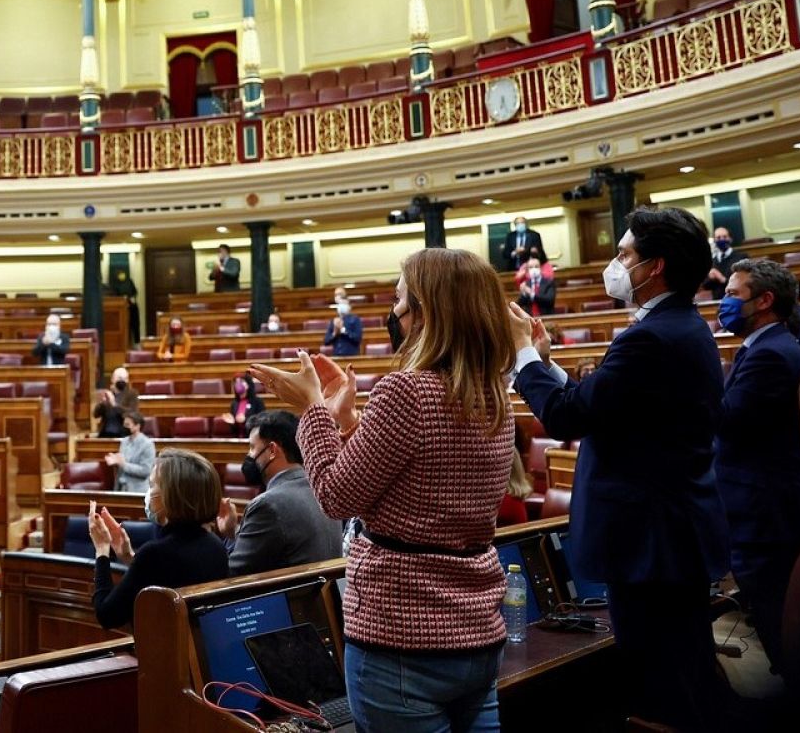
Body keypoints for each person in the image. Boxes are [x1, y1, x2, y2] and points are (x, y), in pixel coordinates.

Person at [251, 247, 519, 733]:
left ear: (427, 312)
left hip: (403, 639)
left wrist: (312, 409)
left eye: (400, 300)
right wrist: (350, 421)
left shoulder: (406, 391)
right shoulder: (494, 395)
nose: (393, 312)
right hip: (477, 631)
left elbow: (335, 495)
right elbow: (417, 478)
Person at [508, 206, 730, 731]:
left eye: (624, 253)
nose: (616, 262)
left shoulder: (650, 337)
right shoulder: (678, 327)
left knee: (664, 685)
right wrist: (544, 362)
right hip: (670, 535)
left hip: (652, 542)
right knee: (685, 672)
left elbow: (566, 414)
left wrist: (522, 355)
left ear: (653, 267)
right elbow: (604, 405)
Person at [716, 258, 800, 674]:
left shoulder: (771, 355)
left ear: (764, 300)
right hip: (770, 510)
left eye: (731, 295)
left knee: (785, 631)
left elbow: (727, 420)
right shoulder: (771, 347)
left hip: (768, 518)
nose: (722, 302)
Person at [88, 449, 228, 629]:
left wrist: (102, 550)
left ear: (172, 495)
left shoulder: (155, 554)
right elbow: (168, 576)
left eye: (152, 485)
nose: (148, 493)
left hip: (165, 655)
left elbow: (107, 616)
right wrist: (131, 558)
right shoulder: (216, 546)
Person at [215, 410, 343, 576]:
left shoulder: (267, 505)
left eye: (252, 448)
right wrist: (232, 532)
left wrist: (227, 540)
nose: (249, 455)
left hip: (292, 600)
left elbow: (232, 575)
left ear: (272, 450)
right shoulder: (320, 489)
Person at [104, 410, 156, 492]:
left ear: (137, 426)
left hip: (137, 490)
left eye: (127, 425)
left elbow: (145, 470)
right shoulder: (124, 441)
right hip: (121, 488)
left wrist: (123, 464)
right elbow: (122, 463)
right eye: (124, 425)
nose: (125, 427)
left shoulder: (147, 444)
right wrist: (115, 460)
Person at [93, 366, 139, 438]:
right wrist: (102, 404)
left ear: (127, 380)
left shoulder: (132, 394)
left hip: (123, 435)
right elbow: (95, 414)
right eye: (119, 378)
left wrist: (114, 405)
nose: (122, 381)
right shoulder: (108, 393)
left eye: (124, 378)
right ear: (112, 379)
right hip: (105, 434)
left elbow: (132, 414)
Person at [704, 226, 749, 300]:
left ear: (730, 239)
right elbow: (706, 286)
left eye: (725, 237)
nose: (722, 239)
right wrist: (710, 278)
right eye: (718, 238)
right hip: (717, 301)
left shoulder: (741, 257)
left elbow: (744, 282)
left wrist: (722, 279)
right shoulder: (711, 260)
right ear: (714, 240)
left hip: (736, 300)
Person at [109, 268, 141, 344]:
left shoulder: (129, 281)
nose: (122, 275)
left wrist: (132, 297)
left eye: (123, 273)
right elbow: (114, 295)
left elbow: (135, 291)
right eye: (120, 274)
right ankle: (126, 342)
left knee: (135, 324)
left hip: (132, 305)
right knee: (125, 326)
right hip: (122, 308)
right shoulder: (115, 284)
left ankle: (136, 342)